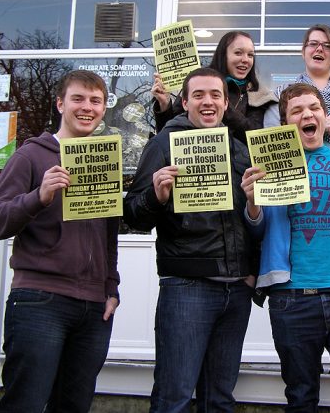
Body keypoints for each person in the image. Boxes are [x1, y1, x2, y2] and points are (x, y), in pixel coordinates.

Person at [242, 83, 330, 412]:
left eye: (314, 109)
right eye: (296, 110)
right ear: (286, 123)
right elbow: (258, 231)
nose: (307, 114)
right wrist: (252, 203)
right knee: (302, 396)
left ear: (325, 117)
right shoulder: (270, 165)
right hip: (290, 298)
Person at [124, 67, 257, 413]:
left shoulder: (241, 152)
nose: (208, 101)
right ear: (184, 102)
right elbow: (133, 216)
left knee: (221, 399)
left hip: (237, 290)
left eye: (215, 95)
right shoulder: (162, 145)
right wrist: (156, 195)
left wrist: (252, 270)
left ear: (226, 103)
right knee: (174, 397)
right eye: (198, 95)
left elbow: (255, 221)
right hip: (187, 288)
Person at [0, 70, 120, 412]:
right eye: (78, 98)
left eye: (95, 101)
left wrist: (112, 288)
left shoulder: (103, 159)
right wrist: (39, 196)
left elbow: (108, 233)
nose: (87, 107)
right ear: (60, 103)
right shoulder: (30, 156)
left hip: (95, 308)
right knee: (26, 403)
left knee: (74, 405)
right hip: (40, 301)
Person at [151, 30, 277, 143]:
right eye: (238, 53)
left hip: (237, 167)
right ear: (223, 55)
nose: (245, 59)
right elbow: (167, 134)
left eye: (250, 55)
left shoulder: (259, 95)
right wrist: (164, 105)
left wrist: (219, 105)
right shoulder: (197, 82)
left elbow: (255, 139)